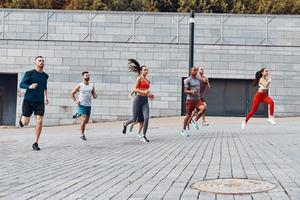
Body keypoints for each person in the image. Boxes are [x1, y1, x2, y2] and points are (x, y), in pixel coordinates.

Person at [19, 56, 49, 151]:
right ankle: (22, 119)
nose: (41, 62)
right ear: (35, 62)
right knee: (25, 123)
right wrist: (30, 86)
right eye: (39, 61)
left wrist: (46, 97)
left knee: (39, 121)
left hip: (39, 101)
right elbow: (21, 84)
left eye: (43, 61)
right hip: (28, 100)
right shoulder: (29, 73)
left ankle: (35, 143)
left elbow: (45, 87)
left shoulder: (45, 76)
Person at [122, 59, 155, 142]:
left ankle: (143, 135)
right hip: (138, 100)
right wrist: (143, 92)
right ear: (141, 71)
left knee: (146, 117)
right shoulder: (139, 78)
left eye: (147, 70)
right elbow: (135, 89)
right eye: (145, 70)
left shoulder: (148, 81)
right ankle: (125, 124)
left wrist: (150, 95)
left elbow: (147, 91)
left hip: (145, 100)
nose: (146, 71)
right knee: (134, 119)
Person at [71, 71, 97, 141]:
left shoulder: (91, 85)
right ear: (83, 76)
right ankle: (82, 135)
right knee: (83, 119)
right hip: (82, 105)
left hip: (88, 105)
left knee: (86, 121)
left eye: (88, 75)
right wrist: (76, 101)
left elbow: (94, 94)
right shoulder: (80, 85)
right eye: (86, 75)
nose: (87, 76)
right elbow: (72, 93)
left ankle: (78, 113)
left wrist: (95, 95)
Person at [181, 67, 205, 136]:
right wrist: (191, 92)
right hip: (190, 100)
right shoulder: (187, 80)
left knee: (203, 108)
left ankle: (195, 120)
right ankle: (183, 130)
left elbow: (204, 80)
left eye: (196, 70)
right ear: (190, 71)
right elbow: (185, 91)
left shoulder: (198, 79)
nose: (195, 72)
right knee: (188, 115)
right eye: (194, 70)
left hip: (197, 100)